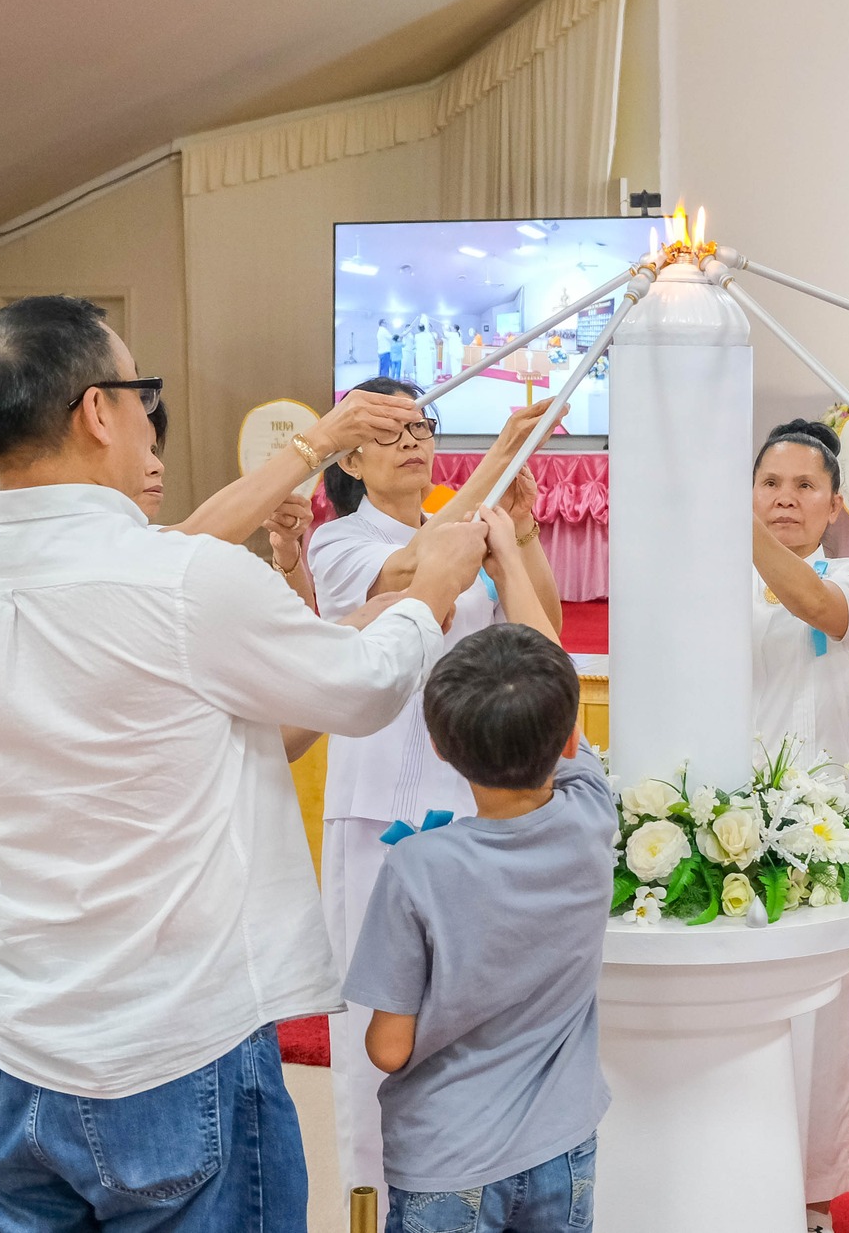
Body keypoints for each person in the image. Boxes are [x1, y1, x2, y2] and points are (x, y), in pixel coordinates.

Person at [0, 296, 491, 1233]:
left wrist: (359, 573)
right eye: (143, 394)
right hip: (180, 1045)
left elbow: (172, 633)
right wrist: (432, 586)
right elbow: (360, 691)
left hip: (17, 1043)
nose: (150, 422)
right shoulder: (182, 582)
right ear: (97, 411)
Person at [307, 376, 566, 1199]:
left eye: (423, 425)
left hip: (473, 807)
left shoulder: (471, 527)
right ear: (349, 454)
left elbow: (542, 631)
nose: (415, 440)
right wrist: (495, 463)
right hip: (376, 810)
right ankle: (376, 1196)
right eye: (390, 431)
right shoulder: (338, 544)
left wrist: (519, 535)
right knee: (376, 1021)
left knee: (469, 1010)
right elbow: (415, 570)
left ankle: (474, 1184)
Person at [345, 506, 612, 1233]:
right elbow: (562, 692)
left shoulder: (418, 866)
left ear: (437, 743)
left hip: (445, 1155)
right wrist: (512, 564)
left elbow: (390, 1046)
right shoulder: (591, 817)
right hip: (564, 1147)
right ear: (564, 740)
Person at [747, 419, 849, 1229]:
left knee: (822, 1019)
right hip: (721, 824)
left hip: (823, 832)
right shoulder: (714, 578)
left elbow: (812, 601)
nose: (786, 499)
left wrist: (734, 532)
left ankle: (810, 1197)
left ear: (834, 504)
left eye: (804, 487)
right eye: (771, 484)